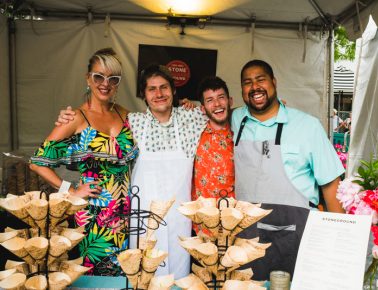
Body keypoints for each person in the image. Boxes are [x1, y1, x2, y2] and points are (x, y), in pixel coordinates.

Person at [55, 64, 207, 278]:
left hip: (178, 222)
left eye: (164, 87)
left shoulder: (194, 117)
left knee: (177, 278)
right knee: (142, 278)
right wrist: (70, 117)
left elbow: (223, 112)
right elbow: (97, 120)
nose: (159, 94)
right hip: (140, 221)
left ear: (173, 90)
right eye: (151, 89)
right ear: (144, 95)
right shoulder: (131, 122)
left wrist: (197, 104)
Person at [30, 48, 139, 276]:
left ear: (118, 83)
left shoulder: (126, 115)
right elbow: (37, 162)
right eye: (99, 76)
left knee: (126, 275)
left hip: (125, 213)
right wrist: (70, 190)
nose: (105, 83)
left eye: (113, 79)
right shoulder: (77, 118)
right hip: (92, 215)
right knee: (95, 277)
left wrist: (186, 104)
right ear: (88, 78)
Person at [232, 59, 345, 280]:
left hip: (295, 235)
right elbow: (212, 109)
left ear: (274, 82)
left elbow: (331, 185)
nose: (255, 87)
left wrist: (338, 237)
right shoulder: (236, 119)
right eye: (247, 83)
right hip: (247, 238)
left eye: (261, 79)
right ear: (242, 91)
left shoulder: (307, 126)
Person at [192, 76, 235, 202]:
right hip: (200, 217)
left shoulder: (241, 134)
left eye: (221, 97)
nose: (217, 104)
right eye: (210, 100)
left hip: (231, 216)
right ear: (203, 109)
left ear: (230, 101)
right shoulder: (194, 133)